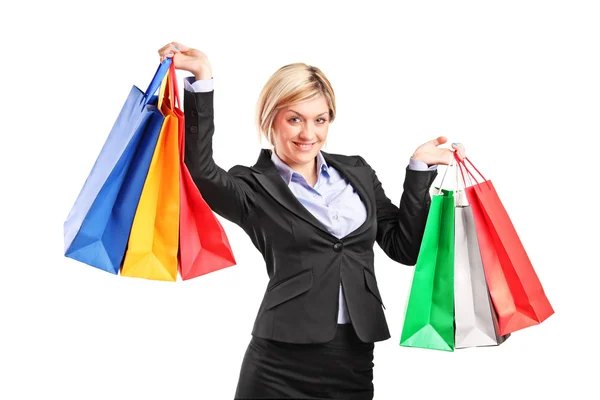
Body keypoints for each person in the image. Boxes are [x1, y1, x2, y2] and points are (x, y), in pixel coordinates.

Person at [158, 41, 466, 400]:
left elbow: (405, 248)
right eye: (294, 119)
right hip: (278, 364)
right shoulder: (252, 188)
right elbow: (200, 170)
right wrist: (202, 79)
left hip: (352, 360)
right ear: (270, 118)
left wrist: (418, 171)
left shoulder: (358, 172)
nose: (308, 134)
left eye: (319, 120)